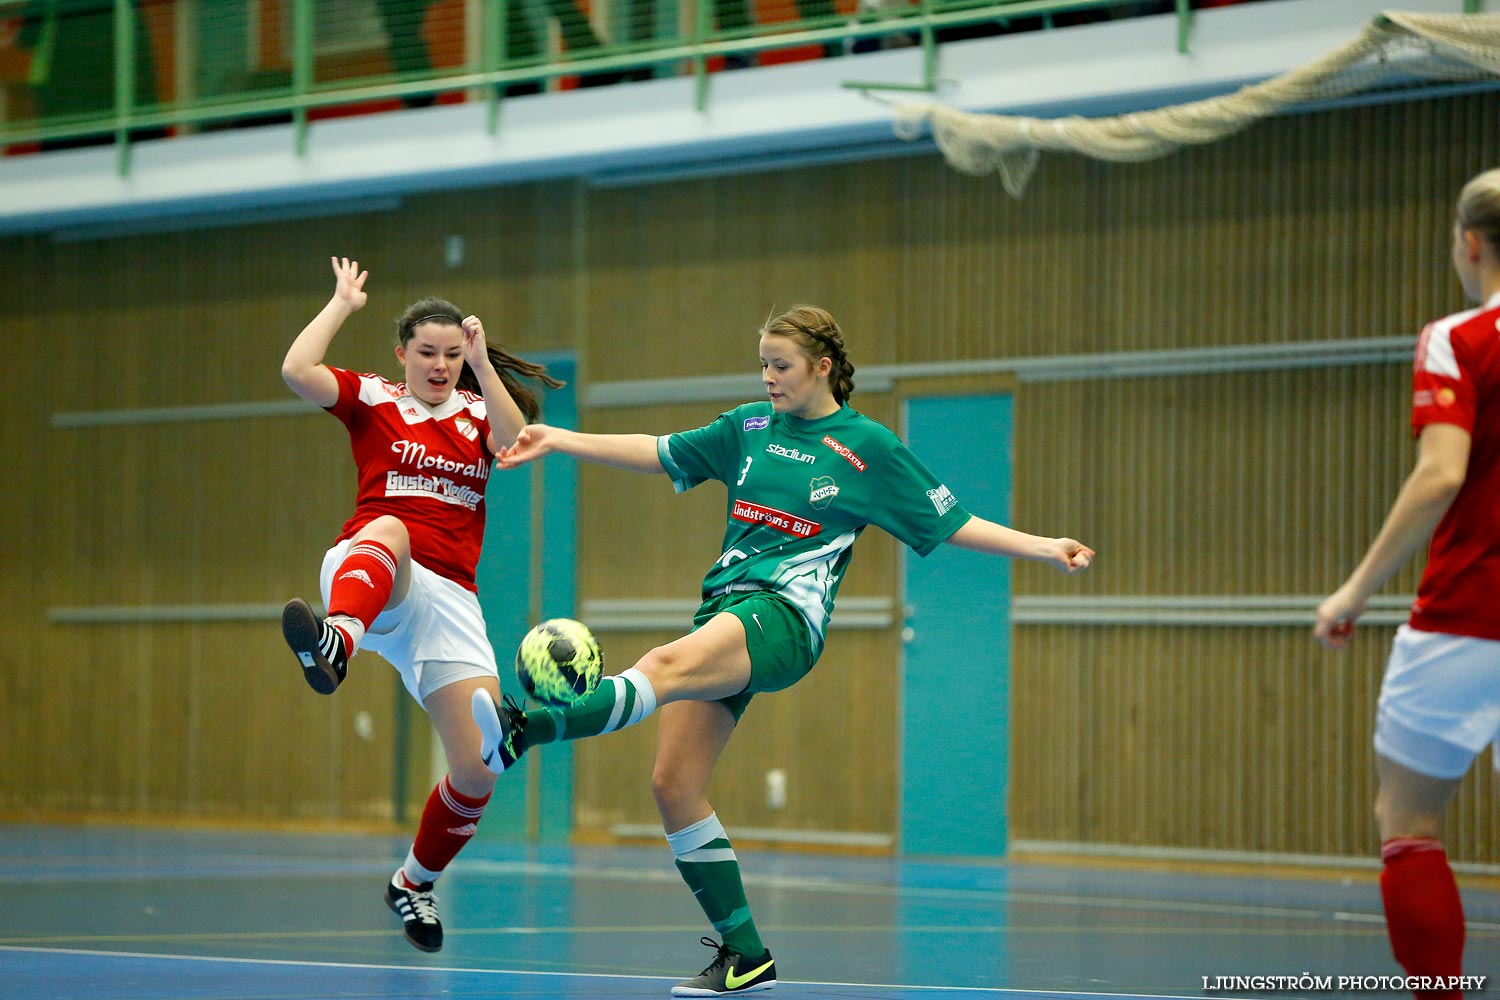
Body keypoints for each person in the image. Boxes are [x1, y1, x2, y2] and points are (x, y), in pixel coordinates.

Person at [472, 304, 1094, 996]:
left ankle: (526, 729)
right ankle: (746, 955)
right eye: (763, 364)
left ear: (822, 368)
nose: (768, 377)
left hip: (784, 616)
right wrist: (559, 439)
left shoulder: (868, 448)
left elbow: (949, 521)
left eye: (782, 365)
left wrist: (1044, 546)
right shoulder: (749, 427)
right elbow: (660, 450)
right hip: (726, 606)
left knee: (662, 665)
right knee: (674, 786)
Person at [279, 256, 561, 953]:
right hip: (369, 569)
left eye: (452, 355)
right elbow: (295, 370)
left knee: (480, 764)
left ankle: (413, 882)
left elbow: (513, 438)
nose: (439, 365)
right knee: (393, 527)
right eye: (427, 353)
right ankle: (336, 640)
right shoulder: (374, 398)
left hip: (449, 599)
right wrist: (342, 302)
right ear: (402, 354)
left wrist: (484, 368)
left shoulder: (474, 411)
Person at [1314, 168, 1500, 1000]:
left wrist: (1353, 590)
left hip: (1467, 618)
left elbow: (1439, 476)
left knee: (1410, 823)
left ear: (1469, 244)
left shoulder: (1457, 338)